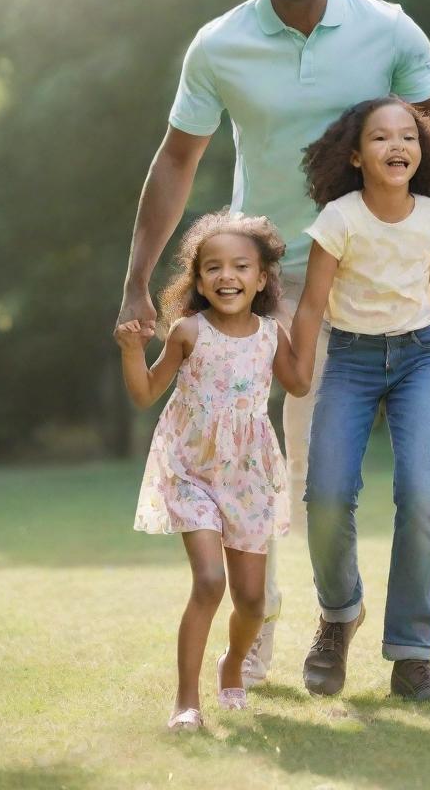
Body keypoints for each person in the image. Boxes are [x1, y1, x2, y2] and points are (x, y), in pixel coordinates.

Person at [115, 0, 430, 685]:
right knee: (254, 457)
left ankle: (356, 627)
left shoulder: (385, 26)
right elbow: (177, 160)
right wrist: (137, 280)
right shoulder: (219, 45)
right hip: (272, 278)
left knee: (346, 477)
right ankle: (262, 622)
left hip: (378, 271)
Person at [289, 96, 430, 703]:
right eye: (380, 138)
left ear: (422, 149)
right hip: (351, 360)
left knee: (419, 492)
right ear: (356, 156)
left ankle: (412, 655)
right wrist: (300, 367)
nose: (396, 146)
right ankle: (338, 615)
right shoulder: (339, 219)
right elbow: (310, 303)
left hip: (419, 358)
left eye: (407, 136)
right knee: (325, 494)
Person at [116, 211, 309, 730]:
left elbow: (299, 383)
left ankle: (231, 664)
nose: (228, 276)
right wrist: (132, 350)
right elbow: (144, 393)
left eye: (241, 266)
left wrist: (309, 315)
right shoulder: (188, 331)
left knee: (251, 600)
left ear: (262, 278)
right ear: (198, 280)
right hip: (190, 468)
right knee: (208, 581)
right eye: (214, 268)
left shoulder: (272, 336)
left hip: (248, 475)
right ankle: (186, 701)